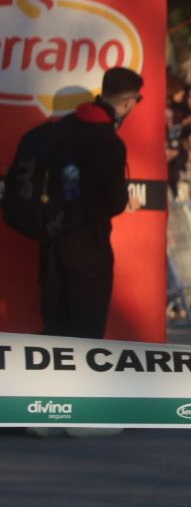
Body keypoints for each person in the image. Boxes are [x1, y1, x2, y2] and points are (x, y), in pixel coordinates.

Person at [36, 67, 144, 340]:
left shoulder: (61, 129)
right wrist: (125, 201)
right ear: (128, 102)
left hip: (51, 241)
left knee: (55, 330)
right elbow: (114, 202)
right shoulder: (109, 142)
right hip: (88, 245)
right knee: (85, 333)